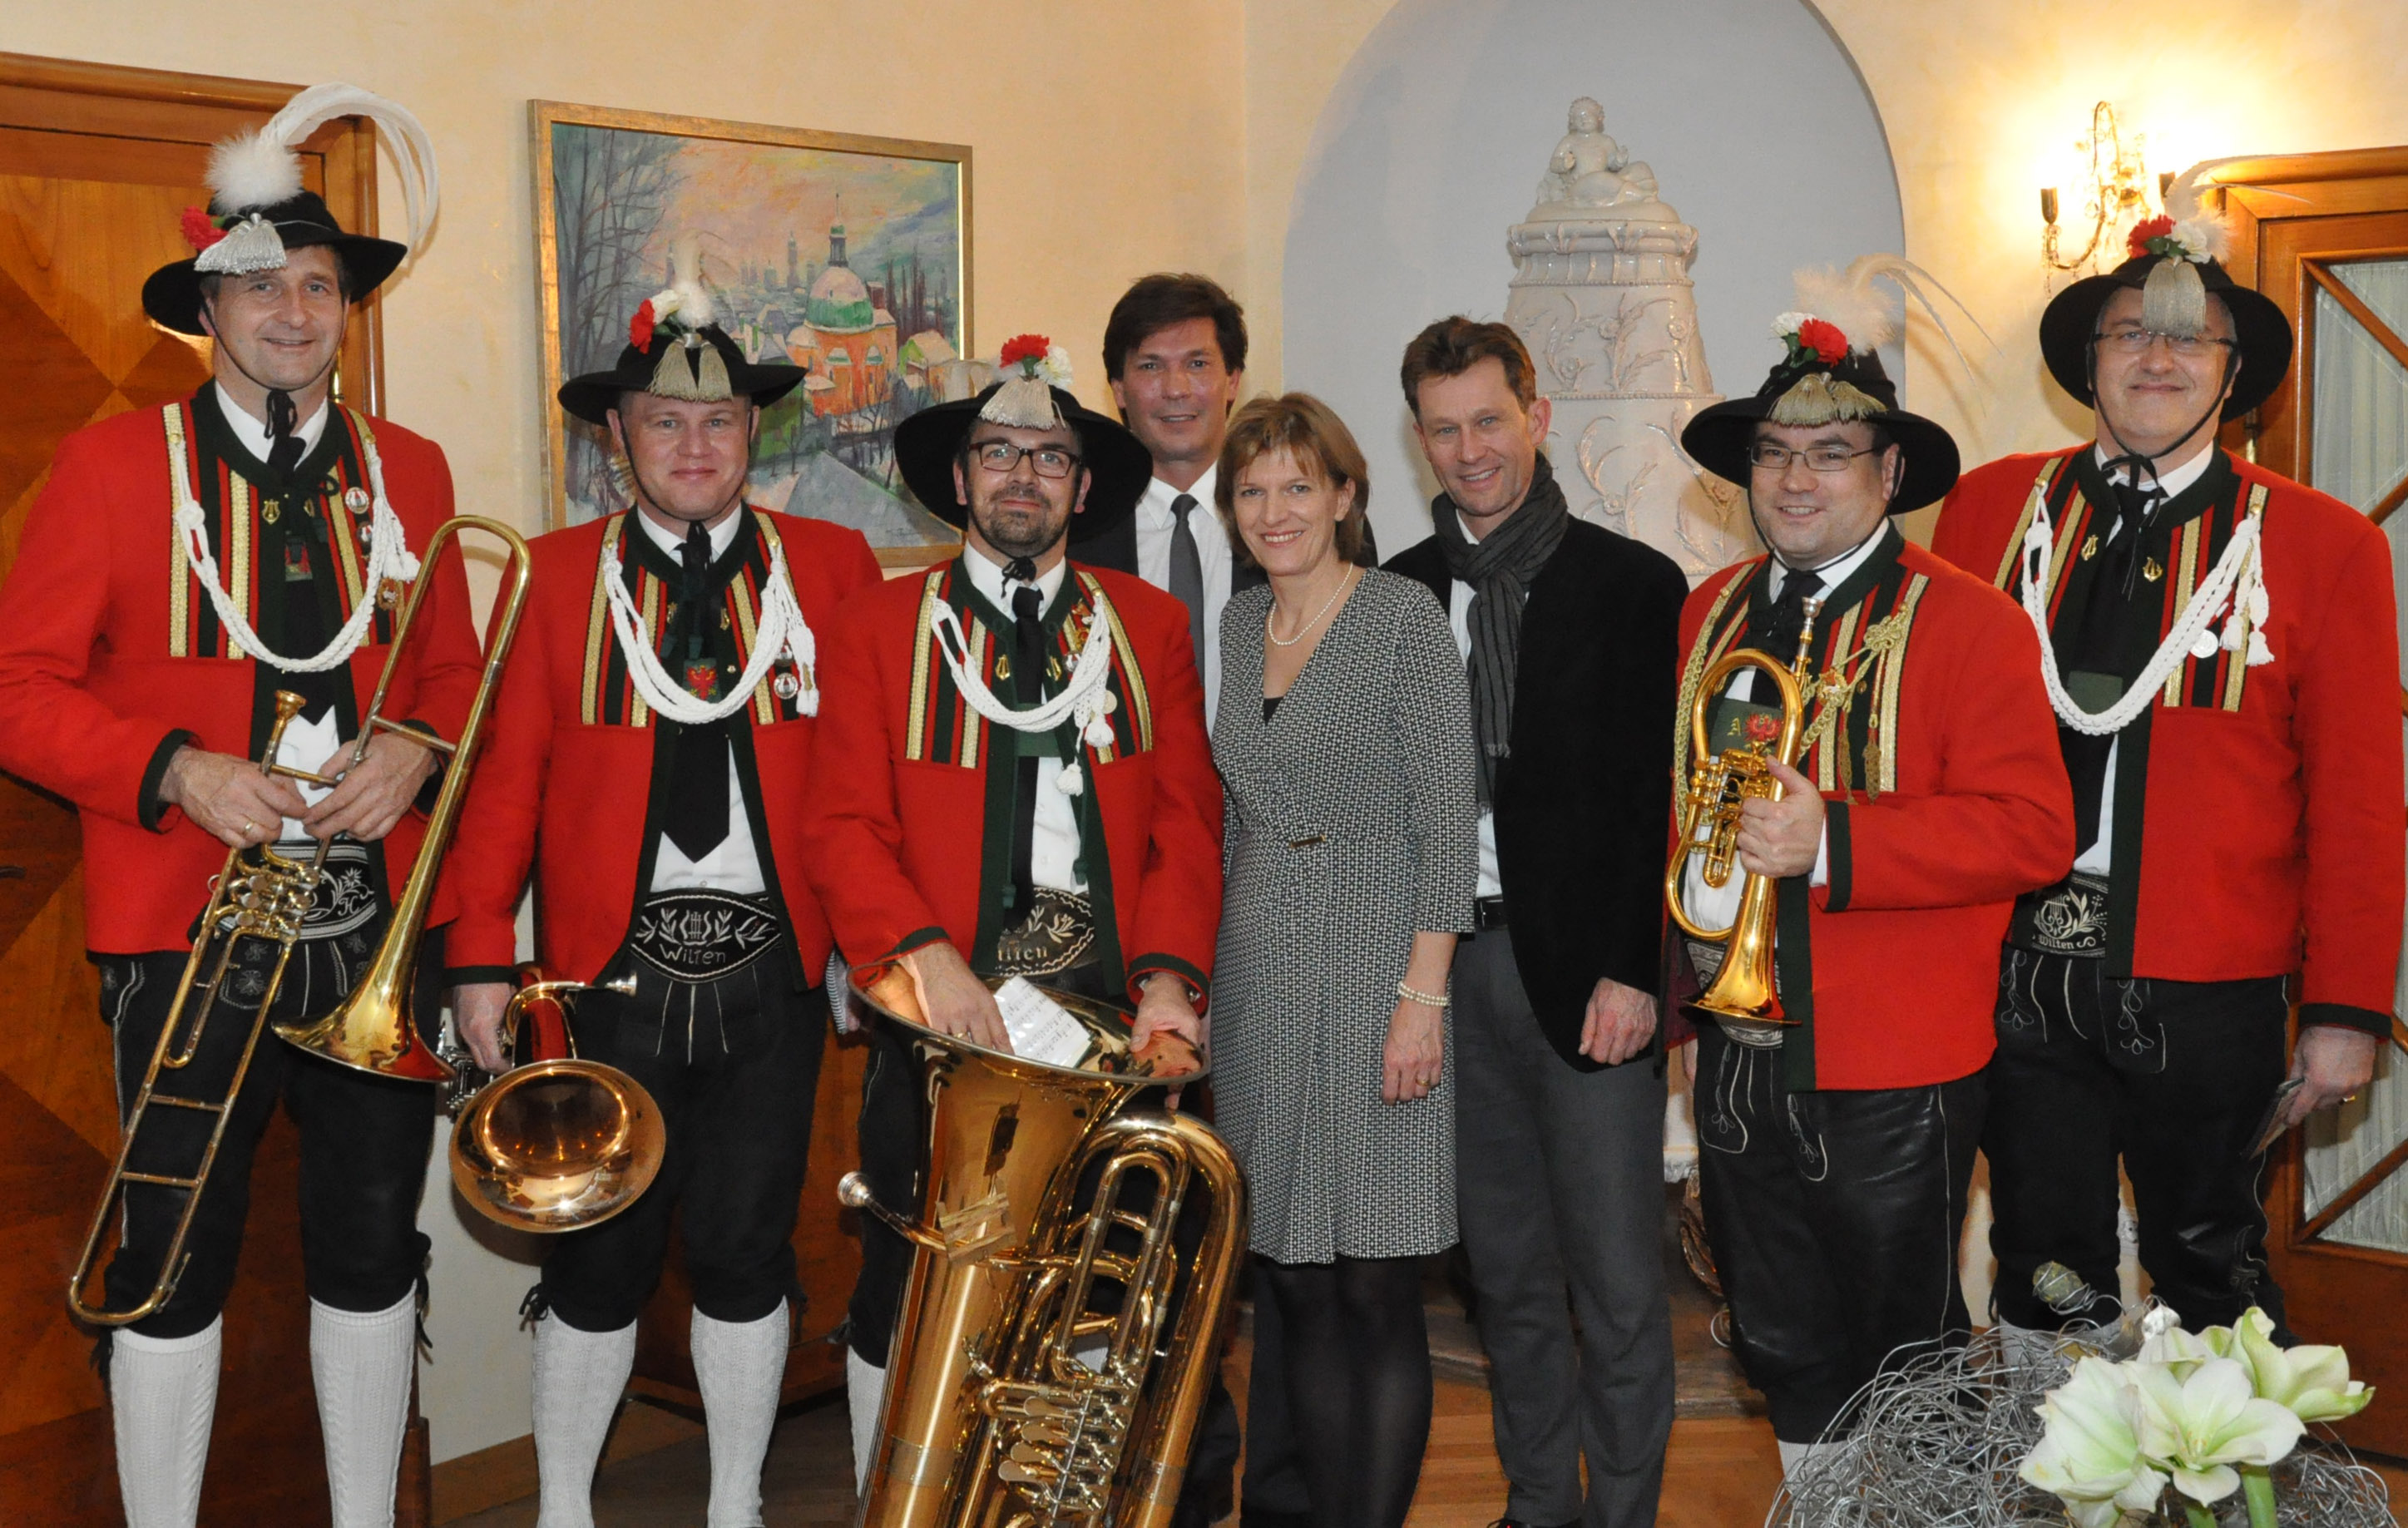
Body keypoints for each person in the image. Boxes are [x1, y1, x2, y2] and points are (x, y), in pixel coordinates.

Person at [0, 86, 473, 1528]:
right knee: (176, 1258)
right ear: (208, 300)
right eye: (259, 282)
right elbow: (15, 684)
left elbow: (454, 672)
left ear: (347, 309)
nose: (291, 308)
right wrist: (176, 769)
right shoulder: (110, 464)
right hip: (186, 924)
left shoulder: (417, 474)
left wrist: (419, 743)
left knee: (373, 1249)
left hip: (372, 925)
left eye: (317, 284)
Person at [443, 255, 881, 1528]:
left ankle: (736, 1503)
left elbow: (867, 777)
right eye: (666, 421)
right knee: (597, 1256)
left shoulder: (836, 566)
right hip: (605, 970)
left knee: (750, 1247)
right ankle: (564, 1507)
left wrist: (873, 940)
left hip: (778, 964)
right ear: (617, 438)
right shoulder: (552, 575)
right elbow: (504, 789)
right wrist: (479, 957)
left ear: (755, 430)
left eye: (721, 420)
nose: (696, 444)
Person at [1930, 204, 2404, 1340]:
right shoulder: (1991, 509)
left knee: (2215, 1268)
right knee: (2042, 1261)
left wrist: (2344, 1009)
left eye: (2190, 339)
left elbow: (2358, 798)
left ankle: (2228, 1511)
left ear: (2234, 373)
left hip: (2212, 983)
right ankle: (2061, 1500)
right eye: (2131, 330)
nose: (2158, 357)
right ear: (2088, 359)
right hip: (2015, 967)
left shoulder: (2325, 542)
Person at [797, 339, 1224, 1494]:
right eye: (999, 453)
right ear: (960, 478)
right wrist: (925, 959)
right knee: (905, 1286)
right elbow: (841, 824)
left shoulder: (1148, 625)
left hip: (1109, 1023)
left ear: (1084, 487)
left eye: (1049, 456)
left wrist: (1175, 982)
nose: (1022, 477)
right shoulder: (877, 627)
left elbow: (1186, 820)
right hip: (944, 1019)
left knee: (1103, 1293)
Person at [1672, 265, 2073, 1473]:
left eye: (1831, 452)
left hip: (1892, 1060)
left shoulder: (1969, 620)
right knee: (1781, 1338)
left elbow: (2032, 830)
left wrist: (1834, 841)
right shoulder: (1706, 613)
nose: (1796, 477)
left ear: (1890, 474)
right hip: (1738, 1052)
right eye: (1776, 451)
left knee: (1911, 1355)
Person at [1387, 318, 1688, 1528]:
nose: (1470, 450)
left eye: (1489, 421)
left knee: (1616, 1285)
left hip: (1589, 984)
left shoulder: (1633, 587)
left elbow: (1652, 804)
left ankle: (1619, 1515)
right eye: (1444, 428)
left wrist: (1635, 969)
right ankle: (1535, 1506)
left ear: (1537, 417)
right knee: (1503, 1278)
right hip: (1447, 979)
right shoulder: (1396, 594)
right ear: (1421, 439)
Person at [1091, 271, 1339, 1528]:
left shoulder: (1287, 520)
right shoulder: (1078, 535)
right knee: (1145, 1217)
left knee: (1277, 1218)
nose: (1175, 387)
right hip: (1135, 923)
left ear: (1232, 376)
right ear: (1117, 388)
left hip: (1290, 912)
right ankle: (1168, 1486)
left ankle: (1284, 1497)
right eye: (1148, 365)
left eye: (1196, 363)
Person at [1208, 393, 1477, 1528]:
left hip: (1381, 966)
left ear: (1346, 497)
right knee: (1295, 1284)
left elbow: (1448, 817)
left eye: (1298, 486)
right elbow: (1233, 818)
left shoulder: (1405, 616)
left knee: (1372, 1283)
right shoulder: (1233, 627)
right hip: (1261, 971)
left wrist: (1423, 998)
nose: (1276, 510)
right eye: (1253, 490)